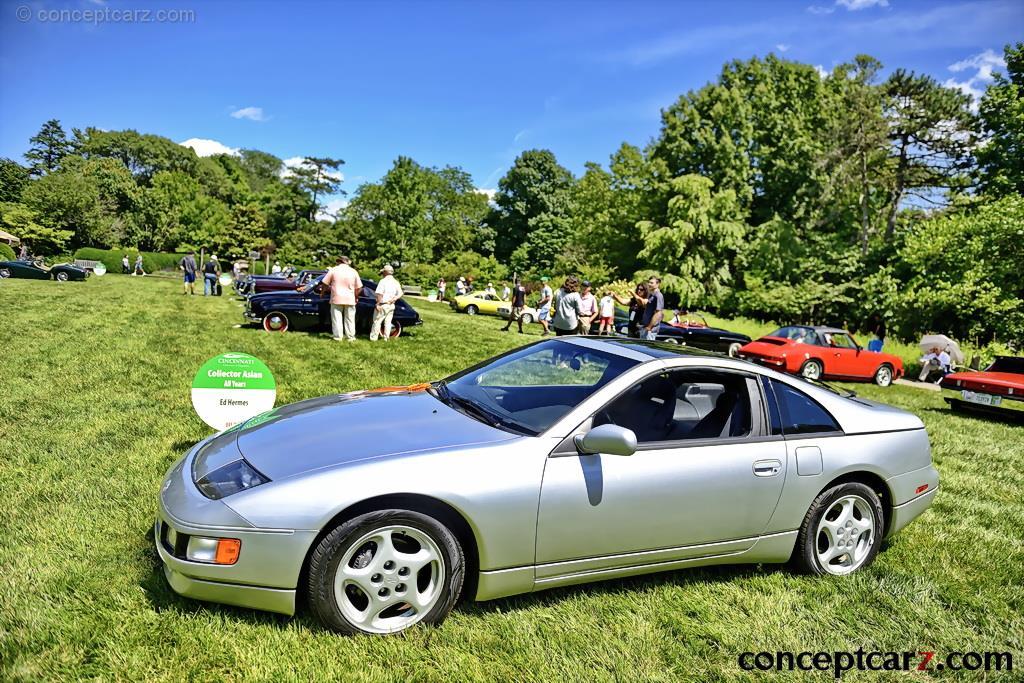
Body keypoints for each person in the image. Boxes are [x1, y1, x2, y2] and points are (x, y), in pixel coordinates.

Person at [321, 255, 362, 341]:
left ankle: (338, 337)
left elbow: (325, 283)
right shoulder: (353, 271)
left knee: (337, 318)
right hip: (350, 298)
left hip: (336, 298)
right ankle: (351, 337)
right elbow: (359, 287)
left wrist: (322, 293)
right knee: (350, 319)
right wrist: (356, 296)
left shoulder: (333, 270)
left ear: (339, 262)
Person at [371, 264, 404, 341]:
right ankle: (386, 338)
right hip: (391, 305)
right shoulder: (395, 282)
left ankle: (373, 338)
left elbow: (380, 294)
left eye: (383, 272)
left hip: (383, 304)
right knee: (388, 322)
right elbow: (400, 293)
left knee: (377, 321)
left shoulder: (383, 281)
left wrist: (378, 304)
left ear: (385, 272)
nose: (382, 274)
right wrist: (394, 299)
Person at [637, 276, 665, 341]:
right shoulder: (651, 295)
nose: (649, 284)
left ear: (657, 284)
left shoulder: (658, 295)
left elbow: (658, 313)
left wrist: (649, 327)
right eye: (649, 282)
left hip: (650, 330)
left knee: (646, 346)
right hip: (645, 328)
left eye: (652, 283)